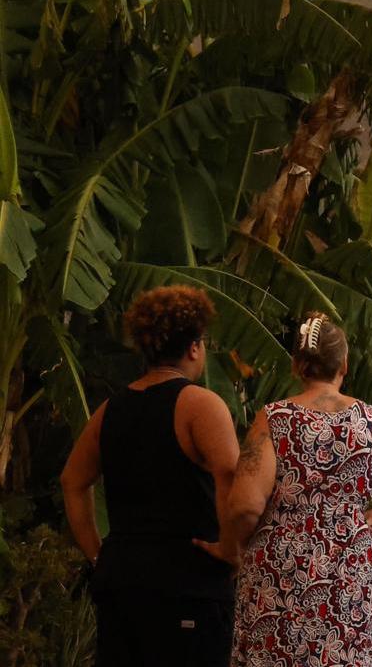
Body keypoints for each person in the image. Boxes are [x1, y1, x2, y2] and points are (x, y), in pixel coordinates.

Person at [223, 313, 372, 667]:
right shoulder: (368, 422)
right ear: (344, 365)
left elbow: (244, 507)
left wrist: (238, 551)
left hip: (279, 571)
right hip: (349, 572)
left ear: (297, 366)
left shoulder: (273, 419)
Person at [61, 285, 242, 666]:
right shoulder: (201, 404)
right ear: (194, 346)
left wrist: (98, 554)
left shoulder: (110, 409)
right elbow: (230, 477)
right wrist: (231, 548)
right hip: (187, 583)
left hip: (122, 582)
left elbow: (72, 482)